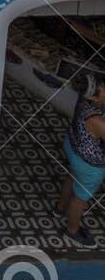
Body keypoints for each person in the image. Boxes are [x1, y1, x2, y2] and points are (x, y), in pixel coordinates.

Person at [59, 71, 105, 245]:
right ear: (94, 98)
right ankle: (72, 231)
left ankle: (60, 208)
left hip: (72, 146)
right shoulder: (98, 122)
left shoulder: (83, 99)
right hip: (89, 165)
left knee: (72, 176)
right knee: (81, 199)